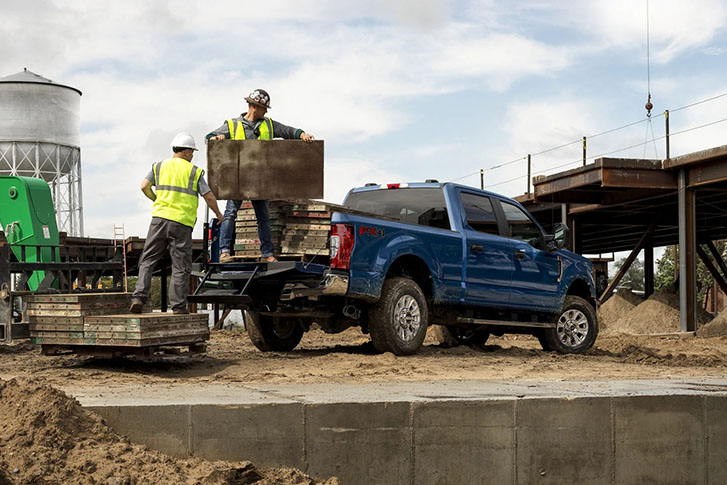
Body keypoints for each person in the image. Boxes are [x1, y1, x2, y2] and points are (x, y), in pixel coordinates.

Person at [206, 88, 314, 263]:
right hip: (238, 178)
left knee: (263, 217)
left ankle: (267, 254)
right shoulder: (233, 125)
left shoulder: (269, 124)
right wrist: (215, 139)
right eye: (265, 108)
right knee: (230, 214)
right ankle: (225, 252)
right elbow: (209, 136)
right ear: (255, 106)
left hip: (260, 179)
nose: (266, 111)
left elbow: (287, 131)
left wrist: (302, 134)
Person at [130, 133, 224, 314]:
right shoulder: (194, 171)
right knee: (180, 266)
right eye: (192, 152)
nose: (193, 155)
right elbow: (209, 196)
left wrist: (156, 199)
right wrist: (219, 215)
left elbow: (144, 186)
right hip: (181, 223)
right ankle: (178, 307)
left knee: (148, 260)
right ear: (187, 151)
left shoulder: (159, 166)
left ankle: (139, 298)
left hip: (159, 219)